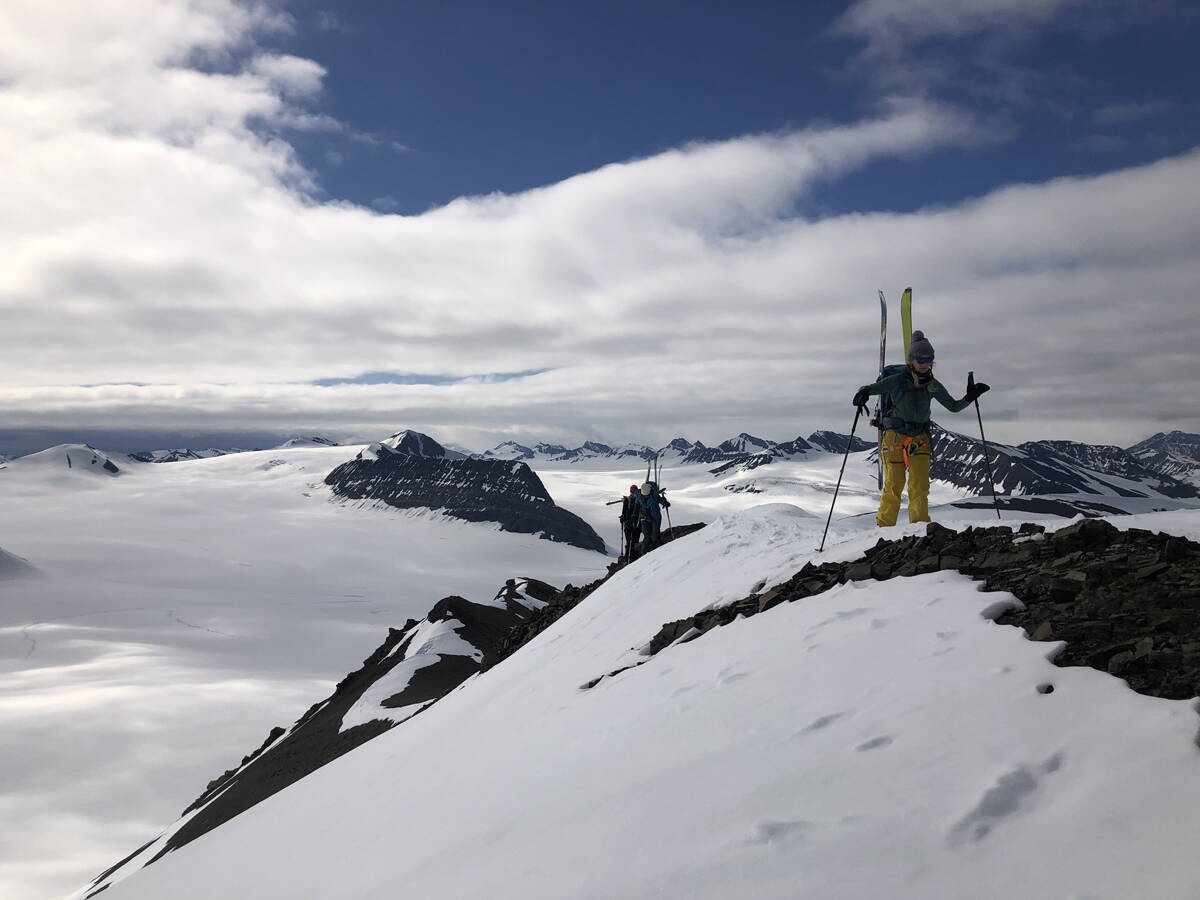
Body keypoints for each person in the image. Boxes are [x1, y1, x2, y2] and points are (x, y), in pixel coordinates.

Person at [852, 330, 989, 526]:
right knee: (894, 484)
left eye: (929, 359)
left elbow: (953, 406)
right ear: (911, 360)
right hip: (894, 438)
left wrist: (969, 397)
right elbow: (873, 389)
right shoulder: (897, 381)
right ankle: (883, 530)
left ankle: (919, 530)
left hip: (920, 438)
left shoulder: (933, 385)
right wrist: (863, 393)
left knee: (919, 486)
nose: (925, 364)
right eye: (921, 359)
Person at [632, 480, 670, 555]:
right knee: (646, 536)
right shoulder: (639, 496)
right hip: (644, 517)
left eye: (647, 495)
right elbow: (637, 506)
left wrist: (665, 503)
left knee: (655, 535)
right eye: (644, 495)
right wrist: (634, 515)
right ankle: (644, 555)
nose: (645, 496)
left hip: (655, 517)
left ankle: (656, 552)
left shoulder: (654, 495)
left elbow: (661, 500)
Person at [619, 484, 640, 560]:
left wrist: (623, 518)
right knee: (631, 540)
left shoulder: (628, 500)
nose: (633, 493)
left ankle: (629, 556)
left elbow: (624, 512)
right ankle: (631, 556)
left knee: (632, 540)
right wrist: (623, 517)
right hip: (632, 523)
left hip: (633, 523)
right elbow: (624, 512)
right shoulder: (629, 500)